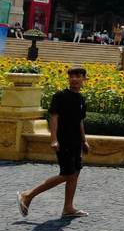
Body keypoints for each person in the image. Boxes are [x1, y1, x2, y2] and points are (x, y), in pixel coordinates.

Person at [17, 66, 90, 218]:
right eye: (71, 76)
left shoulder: (80, 98)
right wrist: (54, 139)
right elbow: (54, 117)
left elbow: (80, 121)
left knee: (75, 173)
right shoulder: (61, 96)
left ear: (84, 78)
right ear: (68, 78)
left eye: (78, 76)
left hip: (76, 141)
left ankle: (68, 208)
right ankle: (28, 195)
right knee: (66, 174)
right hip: (64, 141)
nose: (74, 79)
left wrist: (84, 141)